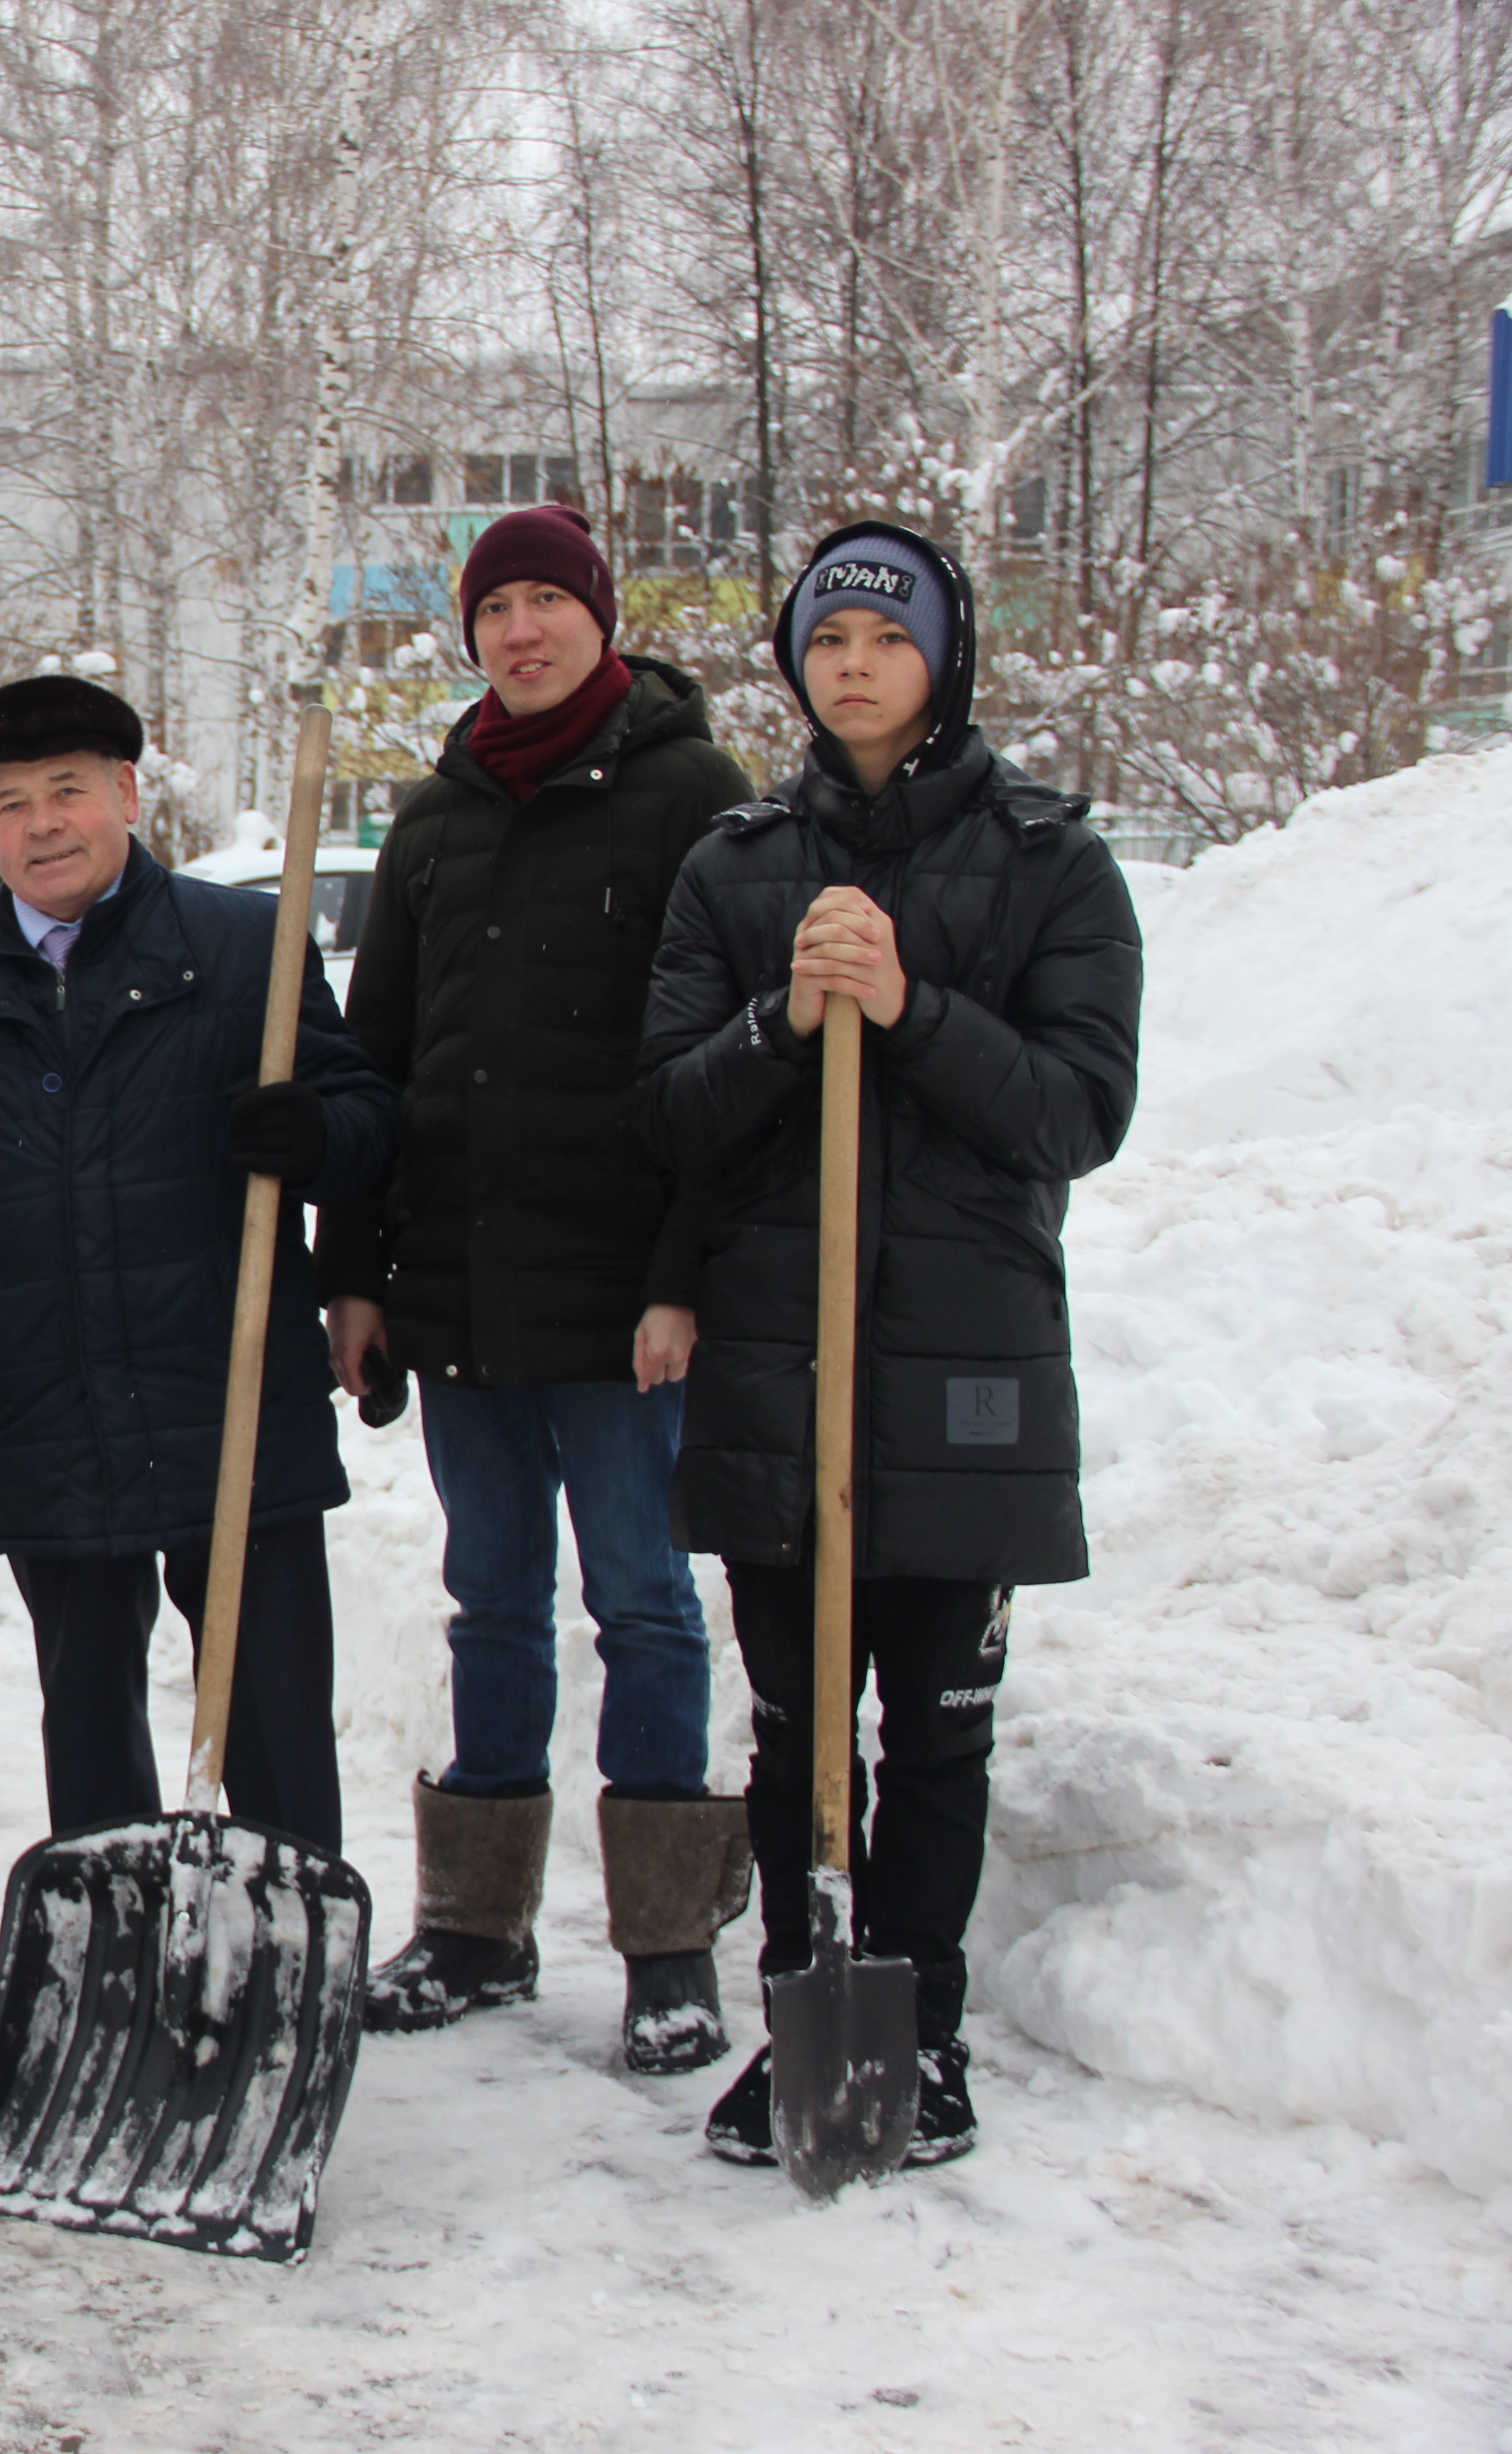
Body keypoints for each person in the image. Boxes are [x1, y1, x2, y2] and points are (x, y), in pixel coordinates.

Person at [635, 519, 1141, 2169]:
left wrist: (909, 1006)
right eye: (825, 639)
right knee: (791, 1721)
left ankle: (917, 2029)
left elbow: (1075, 1112)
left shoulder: (1050, 857)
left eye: (885, 636)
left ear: (942, 654)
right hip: (782, 1354)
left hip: (962, 1359)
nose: (851, 664)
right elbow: (668, 1115)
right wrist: (786, 1020)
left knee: (933, 1719)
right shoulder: (735, 864)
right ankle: (800, 2011)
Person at [314, 503, 763, 2071]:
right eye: (494, 607)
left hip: (622, 1298)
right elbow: (378, 1062)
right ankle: (479, 1930)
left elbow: (726, 1067)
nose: (521, 631)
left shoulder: (692, 793)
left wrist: (680, 1275)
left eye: (546, 603)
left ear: (601, 616)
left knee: (643, 1601)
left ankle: (666, 1947)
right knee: (489, 1603)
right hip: (463, 1293)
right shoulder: (434, 821)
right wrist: (354, 1277)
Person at [0, 675, 394, 1860]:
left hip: (235, 1406)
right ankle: (115, 1963)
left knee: (270, 1724)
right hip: (52, 1420)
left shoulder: (241, 947)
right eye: (11, 803)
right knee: (89, 1731)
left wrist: (316, 1131)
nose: (43, 823)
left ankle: (285, 1956)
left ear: (126, 794)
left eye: (67, 791)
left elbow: (363, 1119)